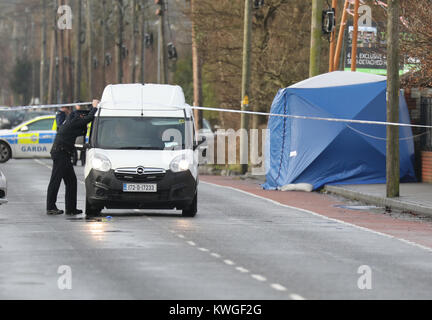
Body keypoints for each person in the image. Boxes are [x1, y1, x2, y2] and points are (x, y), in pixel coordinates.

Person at [46, 100, 99, 216]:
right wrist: (95, 108)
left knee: (71, 181)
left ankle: (71, 209)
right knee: (55, 180)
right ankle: (50, 207)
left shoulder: (72, 118)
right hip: (60, 153)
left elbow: (86, 115)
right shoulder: (75, 121)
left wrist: (92, 109)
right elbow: (87, 118)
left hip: (63, 153)